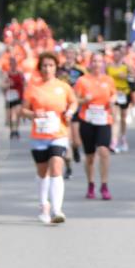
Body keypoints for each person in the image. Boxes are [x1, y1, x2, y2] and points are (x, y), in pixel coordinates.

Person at [21, 52, 78, 224]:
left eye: (51, 65)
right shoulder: (33, 87)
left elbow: (73, 102)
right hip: (39, 136)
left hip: (58, 134)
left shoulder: (63, 86)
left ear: (55, 68)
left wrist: (69, 112)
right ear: (40, 68)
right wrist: (33, 113)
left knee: (56, 166)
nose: (47, 69)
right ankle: (43, 205)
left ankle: (56, 209)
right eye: (44, 65)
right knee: (42, 172)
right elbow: (22, 110)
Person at [74, 52, 116, 200]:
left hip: (104, 120)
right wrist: (83, 99)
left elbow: (114, 95)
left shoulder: (108, 80)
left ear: (103, 64)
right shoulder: (82, 80)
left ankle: (104, 185)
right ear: (90, 63)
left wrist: (112, 100)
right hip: (87, 120)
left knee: (104, 151)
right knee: (90, 156)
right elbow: (74, 100)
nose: (97, 64)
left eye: (100, 61)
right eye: (94, 61)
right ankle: (90, 184)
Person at [58, 46, 88, 174]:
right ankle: (68, 166)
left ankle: (76, 149)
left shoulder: (80, 70)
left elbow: (88, 83)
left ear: (76, 56)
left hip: (76, 106)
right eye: (68, 53)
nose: (70, 56)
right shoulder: (58, 70)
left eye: (72, 54)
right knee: (65, 138)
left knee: (76, 140)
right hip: (61, 106)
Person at [107, 46, 132, 152]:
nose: (116, 57)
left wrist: (126, 76)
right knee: (114, 118)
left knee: (123, 118)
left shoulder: (126, 66)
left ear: (121, 55)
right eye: (114, 55)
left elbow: (134, 77)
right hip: (113, 93)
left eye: (118, 55)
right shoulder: (109, 67)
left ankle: (123, 137)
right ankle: (113, 141)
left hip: (124, 93)